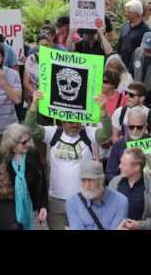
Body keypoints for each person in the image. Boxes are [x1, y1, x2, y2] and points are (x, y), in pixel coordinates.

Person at [24, 90, 112, 230]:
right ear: (62, 120)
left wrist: (103, 111)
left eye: (77, 120)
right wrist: (34, 104)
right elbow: (29, 128)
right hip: (56, 199)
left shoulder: (87, 134)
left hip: (82, 198)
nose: (74, 124)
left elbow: (107, 133)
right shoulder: (53, 133)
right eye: (70, 121)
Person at [0, 124, 47, 230]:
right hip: (4, 203)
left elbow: (42, 181)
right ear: (12, 144)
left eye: (28, 140)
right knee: (15, 227)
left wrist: (43, 206)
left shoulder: (32, 154)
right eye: (23, 142)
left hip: (29, 204)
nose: (27, 144)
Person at [109, 147, 151, 230]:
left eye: (124, 164)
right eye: (120, 163)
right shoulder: (114, 183)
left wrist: (140, 225)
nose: (119, 166)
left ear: (136, 167)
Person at [66, 160, 129, 230]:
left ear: (102, 180)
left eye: (91, 180)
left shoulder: (121, 202)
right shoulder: (73, 202)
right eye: (83, 180)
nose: (87, 186)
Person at [106, 107, 150, 183]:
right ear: (126, 126)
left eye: (139, 127)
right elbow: (111, 173)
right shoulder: (119, 145)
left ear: (145, 126)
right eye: (131, 127)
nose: (135, 130)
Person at [117, 0, 151, 68]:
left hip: (136, 68)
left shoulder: (146, 31)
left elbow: (148, 52)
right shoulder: (125, 26)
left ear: (136, 13)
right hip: (123, 66)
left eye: (128, 12)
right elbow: (120, 45)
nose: (125, 14)